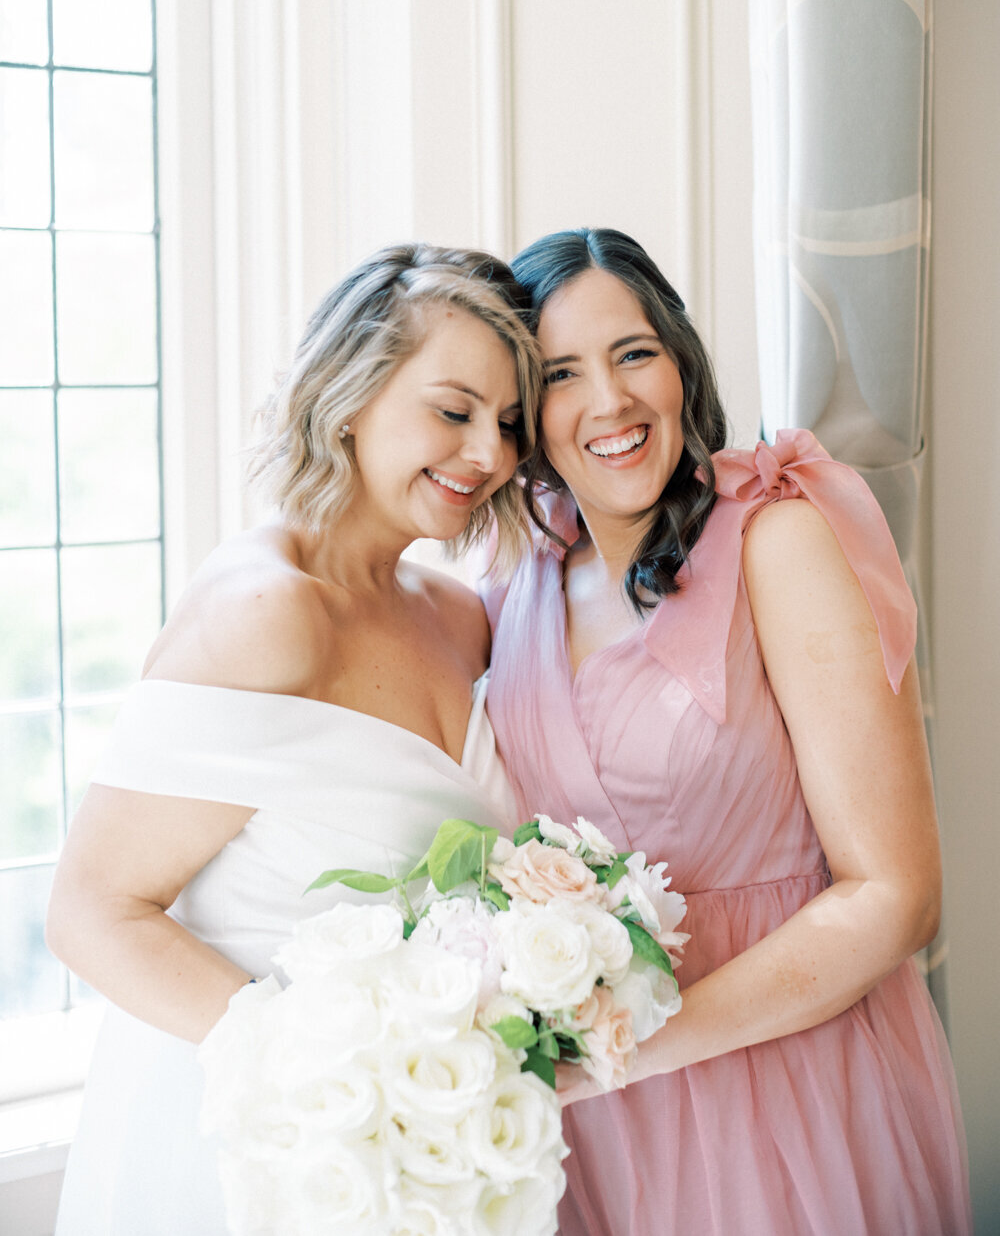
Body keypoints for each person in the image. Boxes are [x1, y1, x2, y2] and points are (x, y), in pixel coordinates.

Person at [483, 227, 971, 1235]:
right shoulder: (510, 590)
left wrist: (633, 1048)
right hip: (596, 1123)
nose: (610, 402)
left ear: (679, 362)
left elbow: (897, 893)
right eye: (562, 373)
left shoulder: (775, 540)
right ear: (524, 414)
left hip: (789, 1084)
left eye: (632, 354)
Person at [46, 242, 539, 1235]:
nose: (488, 452)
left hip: (434, 1149)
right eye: (453, 411)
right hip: (269, 1154)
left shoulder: (461, 614)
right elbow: (92, 910)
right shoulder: (269, 615)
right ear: (348, 396)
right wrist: (338, 1074)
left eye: (509, 423)